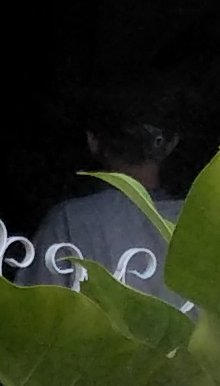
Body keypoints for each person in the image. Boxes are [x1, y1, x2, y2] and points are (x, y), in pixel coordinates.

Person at [23, 113, 171, 290]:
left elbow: (36, 303)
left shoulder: (68, 220)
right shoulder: (195, 221)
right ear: (172, 143)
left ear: (92, 141)